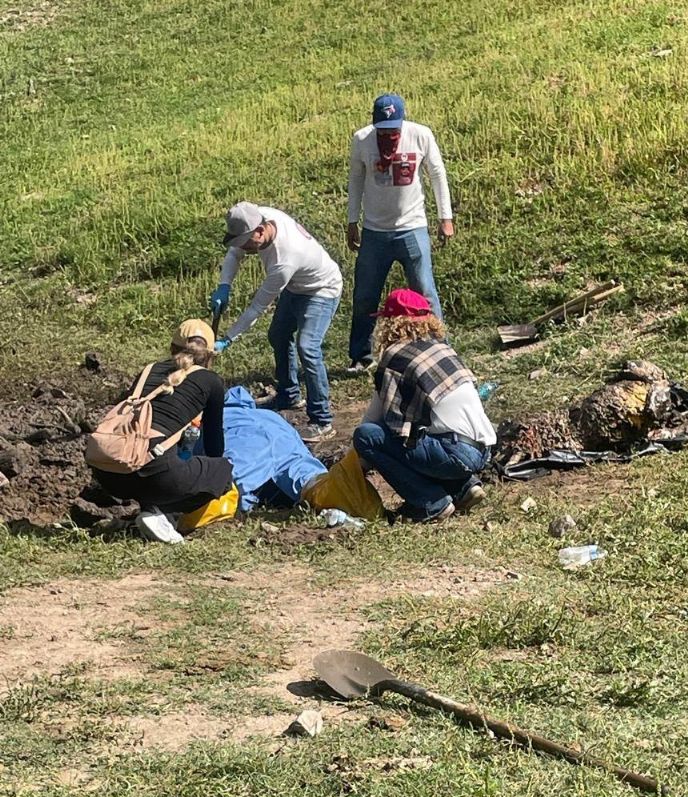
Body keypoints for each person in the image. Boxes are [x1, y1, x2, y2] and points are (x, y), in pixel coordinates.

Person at [353, 289, 496, 523]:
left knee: (367, 436)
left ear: (390, 323)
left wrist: (355, 461)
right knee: (422, 435)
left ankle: (432, 502)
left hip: (455, 452)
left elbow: (377, 420)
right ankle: (464, 487)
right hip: (482, 449)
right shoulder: (441, 348)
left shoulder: (396, 356)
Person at [210, 202, 342, 442]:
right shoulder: (258, 216)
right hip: (296, 286)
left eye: (247, 243)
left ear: (260, 231)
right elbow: (234, 253)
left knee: (308, 347)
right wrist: (224, 285)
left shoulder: (285, 259)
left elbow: (257, 308)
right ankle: (289, 396)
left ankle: (322, 420)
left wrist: (228, 339)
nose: (245, 249)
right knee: (278, 335)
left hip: (321, 289)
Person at [93, 319, 233, 544]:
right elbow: (214, 445)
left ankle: (150, 510)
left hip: (109, 472)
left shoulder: (148, 371)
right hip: (156, 476)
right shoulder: (211, 381)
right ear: (209, 356)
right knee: (222, 472)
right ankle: (164, 516)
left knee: (157, 460)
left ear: (171, 348)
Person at [346, 93, 454, 375]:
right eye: (382, 130)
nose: (388, 135)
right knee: (365, 295)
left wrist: (445, 217)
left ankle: (441, 347)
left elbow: (437, 174)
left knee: (425, 290)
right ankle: (361, 355)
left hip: (412, 226)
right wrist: (352, 220)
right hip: (374, 230)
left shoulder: (421, 135)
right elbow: (356, 178)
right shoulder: (362, 139)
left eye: (393, 129)